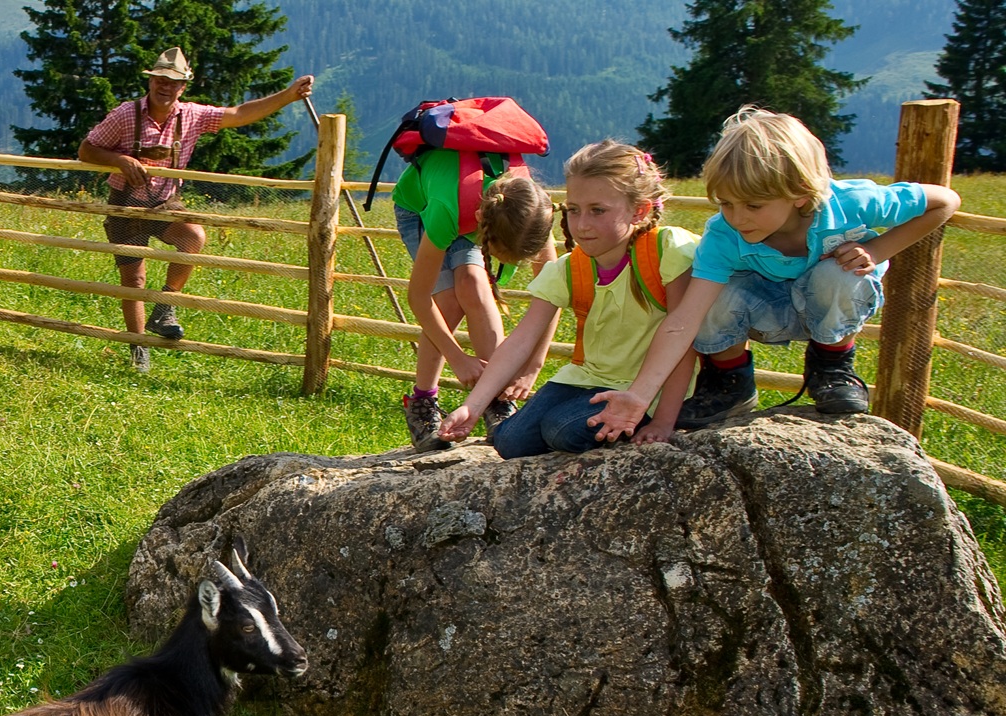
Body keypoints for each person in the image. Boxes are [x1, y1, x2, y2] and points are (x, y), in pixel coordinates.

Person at [587, 107, 961, 440]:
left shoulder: (851, 204)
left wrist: (877, 250)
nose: (737, 217)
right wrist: (639, 396)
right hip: (766, 310)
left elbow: (946, 201)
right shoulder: (724, 235)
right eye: (726, 203)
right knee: (706, 296)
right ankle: (729, 381)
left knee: (839, 275)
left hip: (828, 304)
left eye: (753, 205)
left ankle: (832, 366)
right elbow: (683, 321)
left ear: (800, 193)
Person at [440, 141, 699, 457]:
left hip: (648, 385)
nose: (582, 225)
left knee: (561, 430)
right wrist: (473, 406)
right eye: (574, 210)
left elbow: (684, 338)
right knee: (510, 440)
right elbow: (522, 339)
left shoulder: (666, 251)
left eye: (598, 211)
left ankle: (630, 417)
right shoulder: (570, 268)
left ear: (639, 210)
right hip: (588, 378)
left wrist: (663, 421)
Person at [78, 47, 315, 372]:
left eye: (173, 82)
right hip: (125, 205)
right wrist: (119, 160)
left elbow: (239, 113)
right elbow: (86, 149)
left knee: (193, 237)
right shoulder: (125, 114)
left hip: (165, 202)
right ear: (150, 81)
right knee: (133, 279)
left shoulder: (192, 116)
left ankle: (165, 306)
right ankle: (139, 348)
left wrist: (288, 96)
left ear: (183, 87)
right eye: (160, 79)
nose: (165, 86)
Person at [392, 124, 557, 452]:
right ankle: (422, 403)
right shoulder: (447, 211)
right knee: (449, 302)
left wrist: (533, 366)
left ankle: (497, 400)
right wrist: (457, 358)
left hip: (474, 207)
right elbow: (419, 298)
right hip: (421, 208)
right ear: (483, 228)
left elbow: (553, 293)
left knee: (474, 285)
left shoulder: (532, 212)